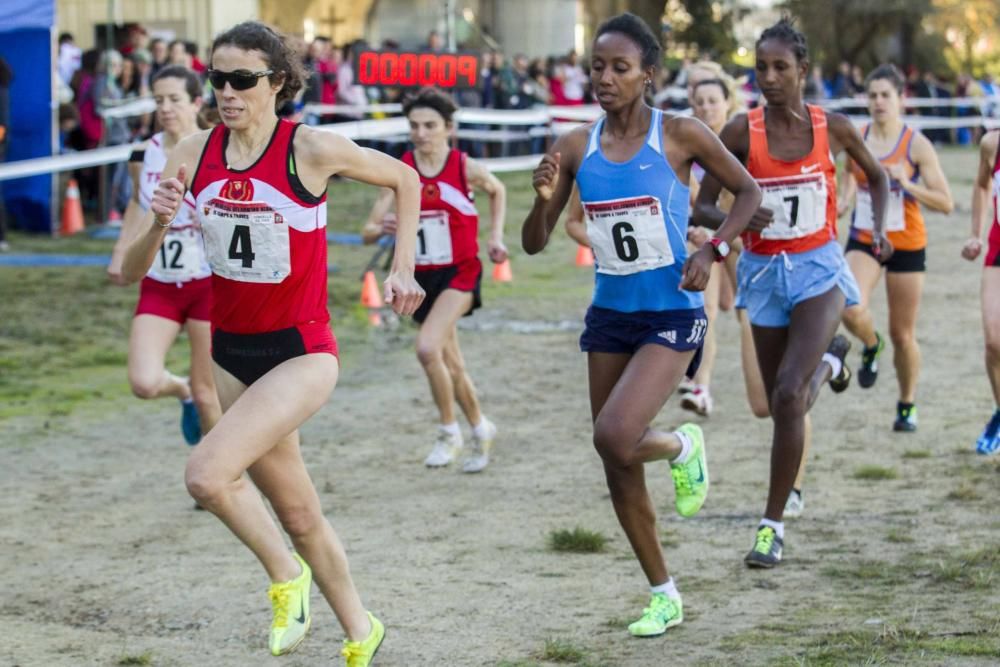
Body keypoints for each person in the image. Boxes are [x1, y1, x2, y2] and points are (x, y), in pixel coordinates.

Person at [121, 21, 423, 666]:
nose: (226, 92)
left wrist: (403, 266)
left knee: (205, 475)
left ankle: (286, 577)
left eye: (242, 80)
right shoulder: (191, 153)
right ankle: (359, 628)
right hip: (231, 351)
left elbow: (405, 178)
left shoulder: (309, 148)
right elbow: (143, 260)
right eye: (216, 78)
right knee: (298, 509)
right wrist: (162, 220)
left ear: (278, 83)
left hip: (303, 349)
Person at [522, 13, 761, 637]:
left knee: (615, 432)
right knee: (616, 457)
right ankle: (664, 593)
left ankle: (683, 445)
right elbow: (533, 243)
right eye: (597, 66)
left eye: (619, 68)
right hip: (610, 316)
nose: (604, 78)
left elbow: (750, 194)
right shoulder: (575, 146)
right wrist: (542, 198)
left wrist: (714, 250)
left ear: (647, 74)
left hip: (672, 313)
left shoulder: (680, 135)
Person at [694, 18, 891, 569]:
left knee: (784, 394)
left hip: (818, 269)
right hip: (762, 274)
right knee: (787, 403)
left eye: (781, 67)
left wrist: (877, 230)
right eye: (761, 68)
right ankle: (833, 360)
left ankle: (771, 525)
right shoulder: (740, 131)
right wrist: (741, 212)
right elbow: (702, 206)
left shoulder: (834, 128)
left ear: (803, 71)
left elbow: (875, 176)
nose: (770, 77)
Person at [361, 87, 507, 472]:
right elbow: (368, 230)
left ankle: (449, 432)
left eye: (430, 125)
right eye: (414, 126)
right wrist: (381, 227)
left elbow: (498, 190)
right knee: (450, 362)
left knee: (427, 349)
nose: (421, 133)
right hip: (420, 279)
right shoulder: (400, 170)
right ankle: (480, 427)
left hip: (460, 272)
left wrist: (495, 236)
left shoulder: (462, 166)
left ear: (448, 128)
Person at [107, 66, 221, 449]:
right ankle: (180, 390)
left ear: (197, 101)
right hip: (160, 282)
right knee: (144, 382)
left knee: (210, 393)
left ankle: (219, 476)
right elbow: (135, 206)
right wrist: (121, 250)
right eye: (158, 100)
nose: (166, 108)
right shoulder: (145, 152)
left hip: (209, 283)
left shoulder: (217, 149)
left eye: (174, 99)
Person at [839, 65, 954, 432]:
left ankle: (907, 404)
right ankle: (871, 345)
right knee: (849, 306)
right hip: (865, 237)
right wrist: (840, 203)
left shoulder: (916, 144)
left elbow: (946, 202)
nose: (878, 102)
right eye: (872, 95)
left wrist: (908, 183)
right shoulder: (856, 138)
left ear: (900, 98)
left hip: (906, 242)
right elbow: (846, 187)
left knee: (903, 334)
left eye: (885, 95)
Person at [961, 129, 1000, 455]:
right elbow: (983, 184)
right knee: (994, 342)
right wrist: (976, 232)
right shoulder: (992, 143)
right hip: (998, 252)